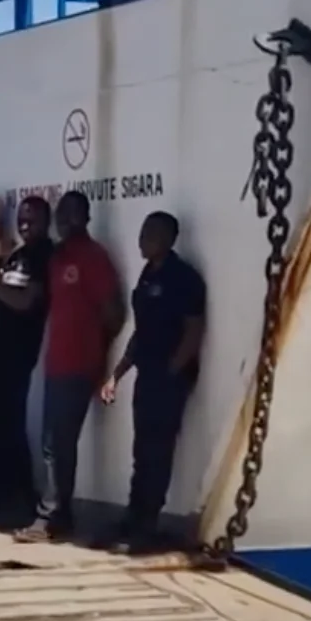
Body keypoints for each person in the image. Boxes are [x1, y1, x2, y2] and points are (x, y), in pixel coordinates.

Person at [98, 210, 207, 554]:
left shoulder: (184, 279)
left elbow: (193, 331)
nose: (142, 239)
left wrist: (172, 372)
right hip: (147, 375)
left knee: (158, 453)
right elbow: (140, 333)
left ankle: (148, 524)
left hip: (168, 379)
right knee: (141, 452)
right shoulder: (147, 277)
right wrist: (116, 375)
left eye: (151, 233)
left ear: (168, 239)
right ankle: (133, 516)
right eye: (143, 231)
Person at [16, 190, 122, 545]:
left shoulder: (93, 258)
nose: (65, 222)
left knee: (57, 444)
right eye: (62, 216)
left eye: (71, 215)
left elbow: (114, 313)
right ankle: (62, 515)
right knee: (53, 444)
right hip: (56, 364)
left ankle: (51, 517)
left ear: (85, 217)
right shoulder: (58, 258)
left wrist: (100, 356)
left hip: (79, 365)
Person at [0, 194, 53, 532]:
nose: (25, 225)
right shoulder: (15, 256)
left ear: (47, 222)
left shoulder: (44, 256)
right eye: (22, 219)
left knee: (10, 430)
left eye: (33, 220)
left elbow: (26, 301)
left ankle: (19, 504)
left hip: (16, 359)